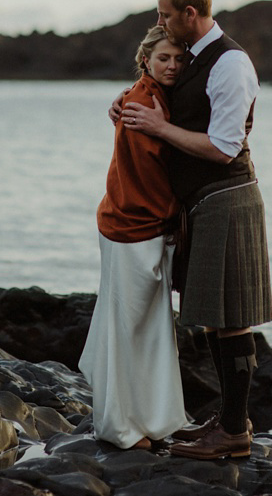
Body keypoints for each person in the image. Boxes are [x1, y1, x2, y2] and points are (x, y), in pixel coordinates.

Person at [119, 0, 272, 460]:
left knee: (233, 320)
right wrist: (133, 103)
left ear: (190, 14)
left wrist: (159, 128)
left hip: (227, 198)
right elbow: (171, 100)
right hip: (203, 205)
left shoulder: (229, 63)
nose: (159, 20)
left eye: (165, 13)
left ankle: (233, 432)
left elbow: (224, 148)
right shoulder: (194, 57)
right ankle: (230, 421)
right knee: (214, 318)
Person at [78, 26, 190, 451]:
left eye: (179, 59)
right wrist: (173, 220)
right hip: (132, 227)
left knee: (145, 329)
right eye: (164, 58)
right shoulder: (141, 104)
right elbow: (148, 180)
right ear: (146, 60)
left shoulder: (152, 97)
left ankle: (148, 419)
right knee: (129, 330)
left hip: (136, 225)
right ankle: (119, 427)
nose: (173, 66)